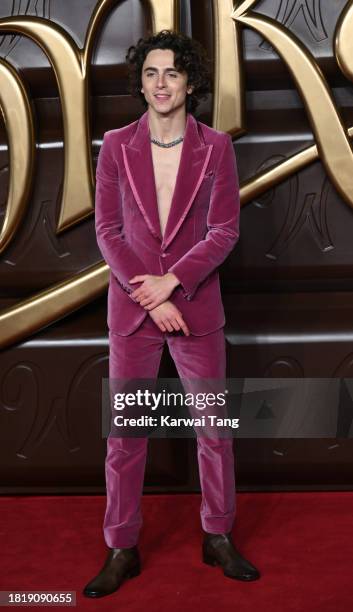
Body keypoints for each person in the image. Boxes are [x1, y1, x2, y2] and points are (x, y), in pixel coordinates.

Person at [83, 29, 260, 598]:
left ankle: (218, 536)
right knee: (126, 436)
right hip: (135, 314)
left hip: (197, 308)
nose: (161, 84)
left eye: (172, 74)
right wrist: (152, 298)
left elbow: (225, 230)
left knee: (215, 431)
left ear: (190, 83)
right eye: (152, 73)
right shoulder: (115, 144)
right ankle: (121, 546)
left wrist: (173, 283)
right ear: (141, 81)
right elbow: (108, 231)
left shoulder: (217, 148)